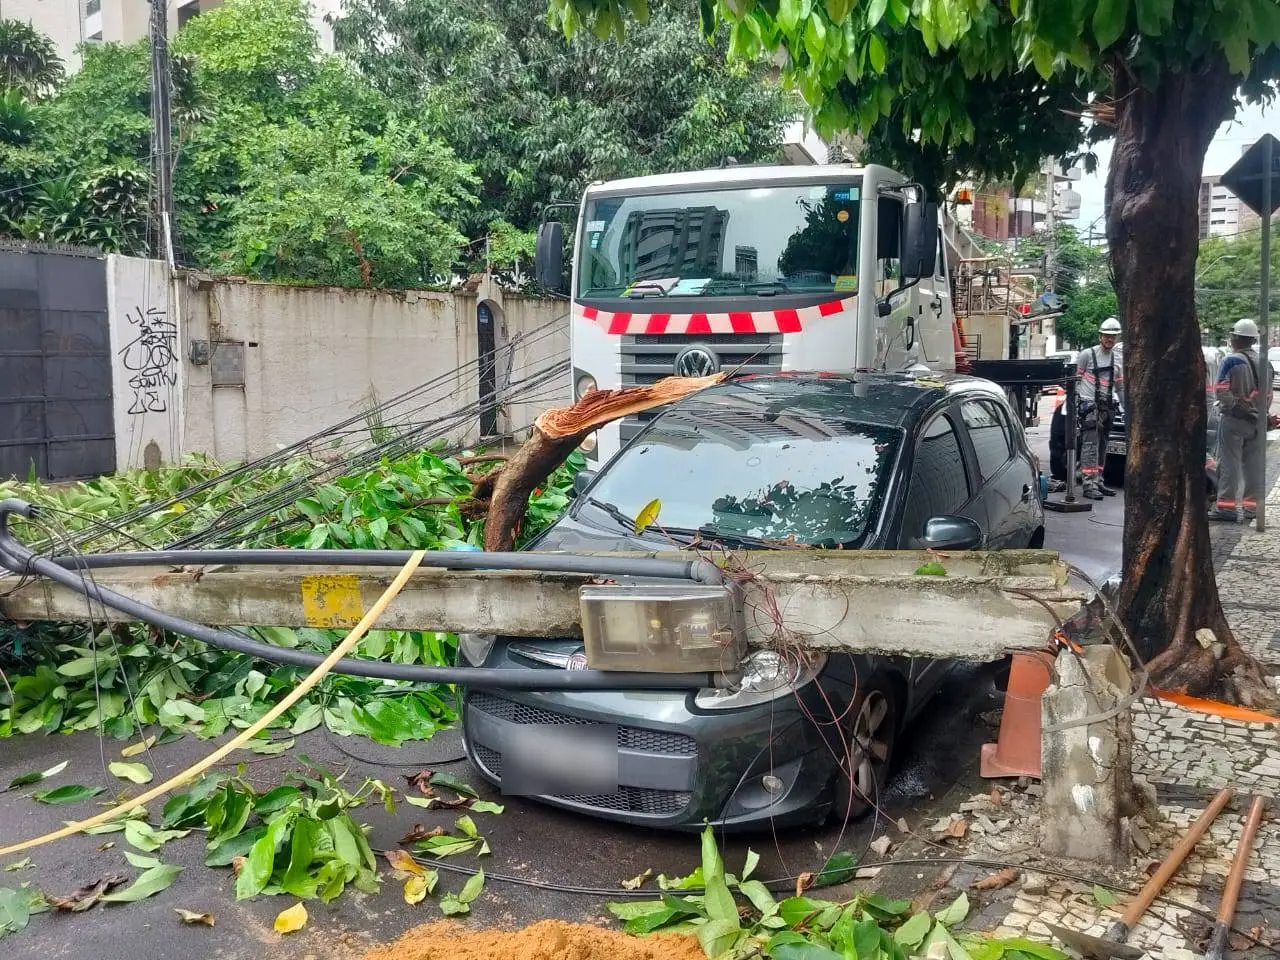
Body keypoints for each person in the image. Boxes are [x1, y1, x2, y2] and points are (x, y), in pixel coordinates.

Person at [1210, 318, 1274, 522]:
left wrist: (1238, 408)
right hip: (1258, 422)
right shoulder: (1265, 362)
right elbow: (1269, 395)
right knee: (1254, 466)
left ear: (1235, 338)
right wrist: (1258, 413)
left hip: (1234, 421)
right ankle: (1251, 509)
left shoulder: (1231, 360)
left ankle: (1226, 509)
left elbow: (1221, 392)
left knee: (1230, 464)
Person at [1076, 317, 1124, 500]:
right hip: (1090, 406)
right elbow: (1076, 381)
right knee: (1090, 446)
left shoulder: (1118, 358)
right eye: (1106, 335)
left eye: (1113, 336)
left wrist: (1127, 409)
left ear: (1117, 337)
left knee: (1103, 446)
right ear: (1100, 336)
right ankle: (1089, 484)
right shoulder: (1087, 355)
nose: (1109, 339)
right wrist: (1079, 405)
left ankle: (1099, 481)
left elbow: (1119, 387)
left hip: (1107, 407)